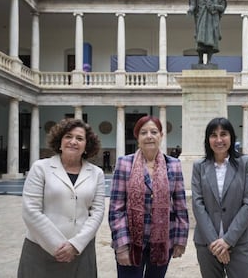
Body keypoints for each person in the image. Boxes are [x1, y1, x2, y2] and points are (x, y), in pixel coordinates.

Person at [18, 118, 105, 278]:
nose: (73, 141)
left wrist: (75, 245)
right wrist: (58, 245)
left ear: (87, 145)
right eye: (68, 136)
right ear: (59, 142)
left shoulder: (96, 173)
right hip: (41, 250)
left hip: (81, 251)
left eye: (79, 138)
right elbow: (30, 210)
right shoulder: (40, 168)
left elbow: (97, 212)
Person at [109, 115, 189, 278]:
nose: (149, 136)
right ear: (137, 137)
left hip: (162, 241)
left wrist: (180, 240)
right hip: (130, 242)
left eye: (154, 132)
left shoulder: (173, 165)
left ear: (161, 135)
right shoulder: (124, 163)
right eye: (143, 132)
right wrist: (121, 246)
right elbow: (116, 209)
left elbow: (180, 206)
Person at [192, 117, 248, 278]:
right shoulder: (199, 166)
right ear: (208, 139)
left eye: (224, 134)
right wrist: (215, 243)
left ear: (232, 137)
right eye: (213, 135)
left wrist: (227, 241)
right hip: (207, 243)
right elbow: (197, 204)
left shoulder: (245, 163)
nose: (219, 139)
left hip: (239, 239)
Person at [188, 0, 227, 65]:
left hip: (212, 20)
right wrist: (191, 9)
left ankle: (209, 60)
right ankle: (200, 59)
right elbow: (193, 4)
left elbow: (222, 7)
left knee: (211, 41)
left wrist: (214, 6)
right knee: (200, 40)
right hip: (201, 19)